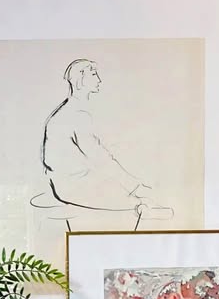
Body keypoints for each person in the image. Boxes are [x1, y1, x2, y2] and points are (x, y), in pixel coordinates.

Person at [36, 59, 170, 219]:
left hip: (75, 180)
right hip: (72, 186)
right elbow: (99, 157)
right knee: (144, 203)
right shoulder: (77, 114)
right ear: (80, 80)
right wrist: (134, 185)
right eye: (93, 74)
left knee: (144, 196)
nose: (99, 79)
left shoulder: (73, 110)